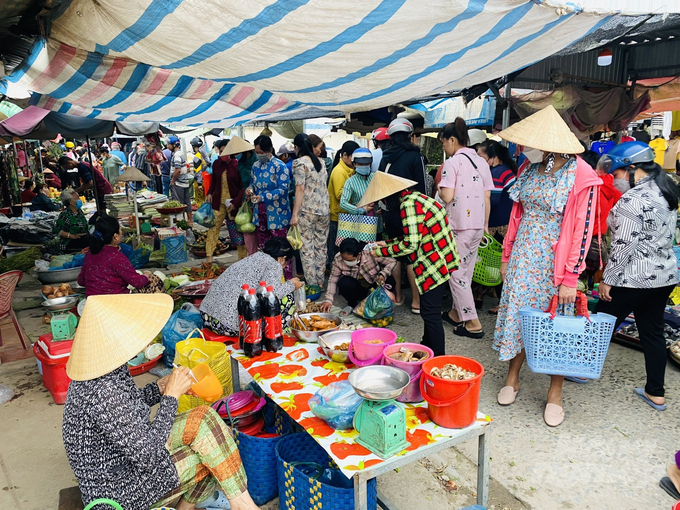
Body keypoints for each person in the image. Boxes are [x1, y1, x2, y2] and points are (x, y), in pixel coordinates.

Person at [63, 293, 259, 510]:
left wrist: (160, 388)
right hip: (118, 492)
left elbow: (127, 411)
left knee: (205, 419)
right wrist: (171, 397)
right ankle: (242, 506)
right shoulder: (102, 391)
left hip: (130, 458)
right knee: (215, 450)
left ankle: (229, 504)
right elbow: (149, 457)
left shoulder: (106, 368)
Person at [493, 105, 601, 427]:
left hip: (556, 263)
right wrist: (506, 256)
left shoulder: (581, 175)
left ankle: (555, 392)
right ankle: (513, 377)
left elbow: (582, 230)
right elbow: (517, 215)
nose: (529, 147)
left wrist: (571, 277)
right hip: (523, 256)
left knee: (556, 326)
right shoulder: (529, 166)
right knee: (518, 318)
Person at [595, 141, 679, 411]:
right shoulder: (667, 190)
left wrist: (608, 279)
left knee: (600, 325)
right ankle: (655, 391)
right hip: (663, 277)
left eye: (617, 174)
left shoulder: (633, 199)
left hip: (632, 278)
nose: (615, 180)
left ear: (632, 169)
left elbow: (624, 245)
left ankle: (579, 369)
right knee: (652, 333)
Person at [366, 172, 459, 356]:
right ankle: (426, 347)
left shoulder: (408, 205)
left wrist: (379, 252)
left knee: (431, 314)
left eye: (384, 199)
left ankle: (437, 358)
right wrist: (388, 243)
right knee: (428, 311)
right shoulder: (417, 198)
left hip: (434, 262)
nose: (384, 203)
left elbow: (410, 245)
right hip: (440, 258)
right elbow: (414, 235)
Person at [438, 118, 494, 337]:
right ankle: (455, 312)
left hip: (459, 227)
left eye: (443, 143)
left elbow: (447, 195)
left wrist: (441, 190)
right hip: (478, 226)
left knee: (455, 273)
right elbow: (487, 195)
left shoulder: (452, 163)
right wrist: (486, 225)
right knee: (466, 272)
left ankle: (472, 322)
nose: (444, 147)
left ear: (452, 140)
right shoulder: (481, 161)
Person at [200, 239, 303, 336]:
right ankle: (279, 334)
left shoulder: (255, 257)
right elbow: (270, 294)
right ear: (282, 258)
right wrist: (292, 285)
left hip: (207, 317)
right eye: (286, 262)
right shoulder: (274, 265)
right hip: (228, 325)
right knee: (287, 298)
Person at [379, 118, 430, 310]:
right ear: (409, 136)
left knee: (396, 252)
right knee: (413, 255)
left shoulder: (386, 156)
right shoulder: (414, 156)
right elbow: (423, 187)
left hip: (390, 212)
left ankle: (398, 296)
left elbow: (380, 186)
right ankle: (416, 302)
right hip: (411, 213)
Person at [474, 139, 517, 314]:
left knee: (491, 262)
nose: (479, 161)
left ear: (493, 157)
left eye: (481, 157)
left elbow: (493, 199)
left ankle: (499, 301)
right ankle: (481, 296)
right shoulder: (505, 170)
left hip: (498, 226)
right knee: (490, 262)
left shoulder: (498, 173)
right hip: (503, 223)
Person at [77, 215, 155, 297]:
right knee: (154, 282)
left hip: (92, 303)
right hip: (115, 303)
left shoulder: (90, 254)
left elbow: (81, 281)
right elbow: (138, 282)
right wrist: (146, 275)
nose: (121, 232)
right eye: (120, 229)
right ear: (115, 237)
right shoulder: (117, 257)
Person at [290, 133, 330, 288]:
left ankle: (312, 285)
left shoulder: (299, 163)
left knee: (307, 248)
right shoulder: (321, 162)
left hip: (307, 211)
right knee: (321, 247)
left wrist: (294, 214)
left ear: (297, 147)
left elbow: (300, 189)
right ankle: (320, 282)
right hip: (324, 211)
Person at [245, 135, 291, 265]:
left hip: (277, 214)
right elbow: (253, 184)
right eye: (257, 152)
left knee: (281, 249)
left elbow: (283, 190)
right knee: (264, 247)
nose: (259, 155)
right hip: (260, 213)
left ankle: (284, 278)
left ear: (269, 149)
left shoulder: (280, 166)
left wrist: (263, 197)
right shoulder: (255, 166)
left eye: (261, 152)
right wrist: (250, 190)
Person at [321, 238, 397, 310]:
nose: (346, 261)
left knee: (390, 281)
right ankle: (352, 304)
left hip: (376, 284)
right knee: (344, 283)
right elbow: (333, 279)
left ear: (359, 255)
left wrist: (383, 274)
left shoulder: (370, 253)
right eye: (344, 259)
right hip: (359, 287)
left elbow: (392, 261)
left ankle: (380, 305)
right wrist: (329, 300)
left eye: (349, 260)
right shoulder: (338, 259)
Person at [206, 137, 247, 263]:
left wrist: (236, 202)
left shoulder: (237, 165)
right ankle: (209, 257)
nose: (222, 154)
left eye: (225, 151)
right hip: (218, 202)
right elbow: (214, 181)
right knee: (213, 229)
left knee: (239, 232)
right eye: (221, 152)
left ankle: (242, 260)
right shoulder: (216, 164)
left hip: (234, 204)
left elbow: (242, 187)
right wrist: (209, 193)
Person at [327, 140, 359, 263]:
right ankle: (332, 267)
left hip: (345, 214)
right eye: (353, 157)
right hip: (338, 215)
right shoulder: (339, 171)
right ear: (345, 155)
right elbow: (340, 195)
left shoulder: (348, 170)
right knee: (336, 247)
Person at [339, 148, 376, 221]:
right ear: (354, 164)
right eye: (360, 164)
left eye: (366, 164)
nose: (364, 166)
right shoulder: (350, 182)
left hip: (377, 219)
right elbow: (343, 203)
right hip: (359, 222)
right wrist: (360, 210)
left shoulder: (375, 177)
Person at [170, 141, 193, 227]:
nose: (167, 146)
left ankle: (182, 222)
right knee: (187, 202)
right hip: (185, 182)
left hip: (179, 183)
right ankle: (190, 221)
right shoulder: (182, 154)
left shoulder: (176, 156)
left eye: (168, 144)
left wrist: (173, 180)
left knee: (179, 204)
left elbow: (178, 169)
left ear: (174, 145)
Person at [190, 137, 207, 205]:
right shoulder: (204, 154)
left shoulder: (197, 156)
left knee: (199, 200)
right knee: (204, 199)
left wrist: (199, 184)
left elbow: (198, 170)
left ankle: (201, 214)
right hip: (205, 179)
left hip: (199, 181)